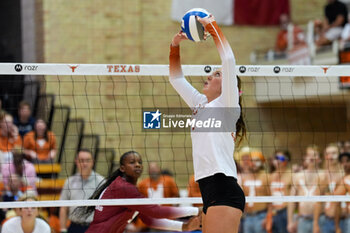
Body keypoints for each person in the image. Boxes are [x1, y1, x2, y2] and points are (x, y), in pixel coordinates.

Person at [169, 14, 246, 233]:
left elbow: (229, 61)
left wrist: (211, 26)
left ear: (230, 86)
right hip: (208, 188)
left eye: (217, 75)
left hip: (223, 187)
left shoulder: (229, 105)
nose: (210, 76)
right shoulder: (200, 105)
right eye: (211, 73)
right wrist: (174, 45)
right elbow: (175, 79)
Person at [74, 151, 201, 233]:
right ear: (122, 168)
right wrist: (196, 210)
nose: (137, 165)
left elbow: (149, 220)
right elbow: (156, 211)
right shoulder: (123, 188)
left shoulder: (129, 190)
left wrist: (183, 227)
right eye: (132, 162)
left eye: (140, 162)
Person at [59, 149, 104, 233]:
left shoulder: (101, 182)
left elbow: (106, 208)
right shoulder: (70, 181)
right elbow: (63, 208)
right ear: (76, 162)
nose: (84, 163)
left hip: (94, 227)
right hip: (74, 227)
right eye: (81, 160)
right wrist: (63, 229)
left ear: (93, 162)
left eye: (87, 160)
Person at [287, 145, 327, 233]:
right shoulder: (297, 176)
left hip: (321, 219)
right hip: (302, 220)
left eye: (315, 155)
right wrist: (290, 222)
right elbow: (291, 201)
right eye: (309, 155)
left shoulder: (325, 175)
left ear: (319, 159)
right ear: (305, 158)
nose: (312, 157)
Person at [313, 143, 345, 233]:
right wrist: (315, 224)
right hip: (327, 220)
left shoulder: (346, 174)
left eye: (334, 153)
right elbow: (317, 202)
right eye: (328, 154)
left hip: (346, 220)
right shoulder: (322, 176)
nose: (330, 156)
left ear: (340, 154)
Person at [241, 150, 270, 233]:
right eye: (252, 160)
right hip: (247, 217)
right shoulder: (244, 177)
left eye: (257, 160)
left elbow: (271, 200)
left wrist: (268, 217)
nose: (253, 163)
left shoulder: (266, 176)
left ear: (262, 162)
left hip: (261, 216)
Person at [267, 150, 292, 233]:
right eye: (275, 158)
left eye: (280, 158)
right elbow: (270, 198)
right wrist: (269, 215)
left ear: (286, 160)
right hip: (274, 212)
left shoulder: (291, 175)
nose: (277, 161)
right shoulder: (271, 176)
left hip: (285, 212)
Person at [334, 152, 350, 233]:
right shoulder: (343, 180)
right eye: (342, 162)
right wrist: (337, 227)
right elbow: (337, 203)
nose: (345, 164)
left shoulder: (345, 180)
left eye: (347, 161)